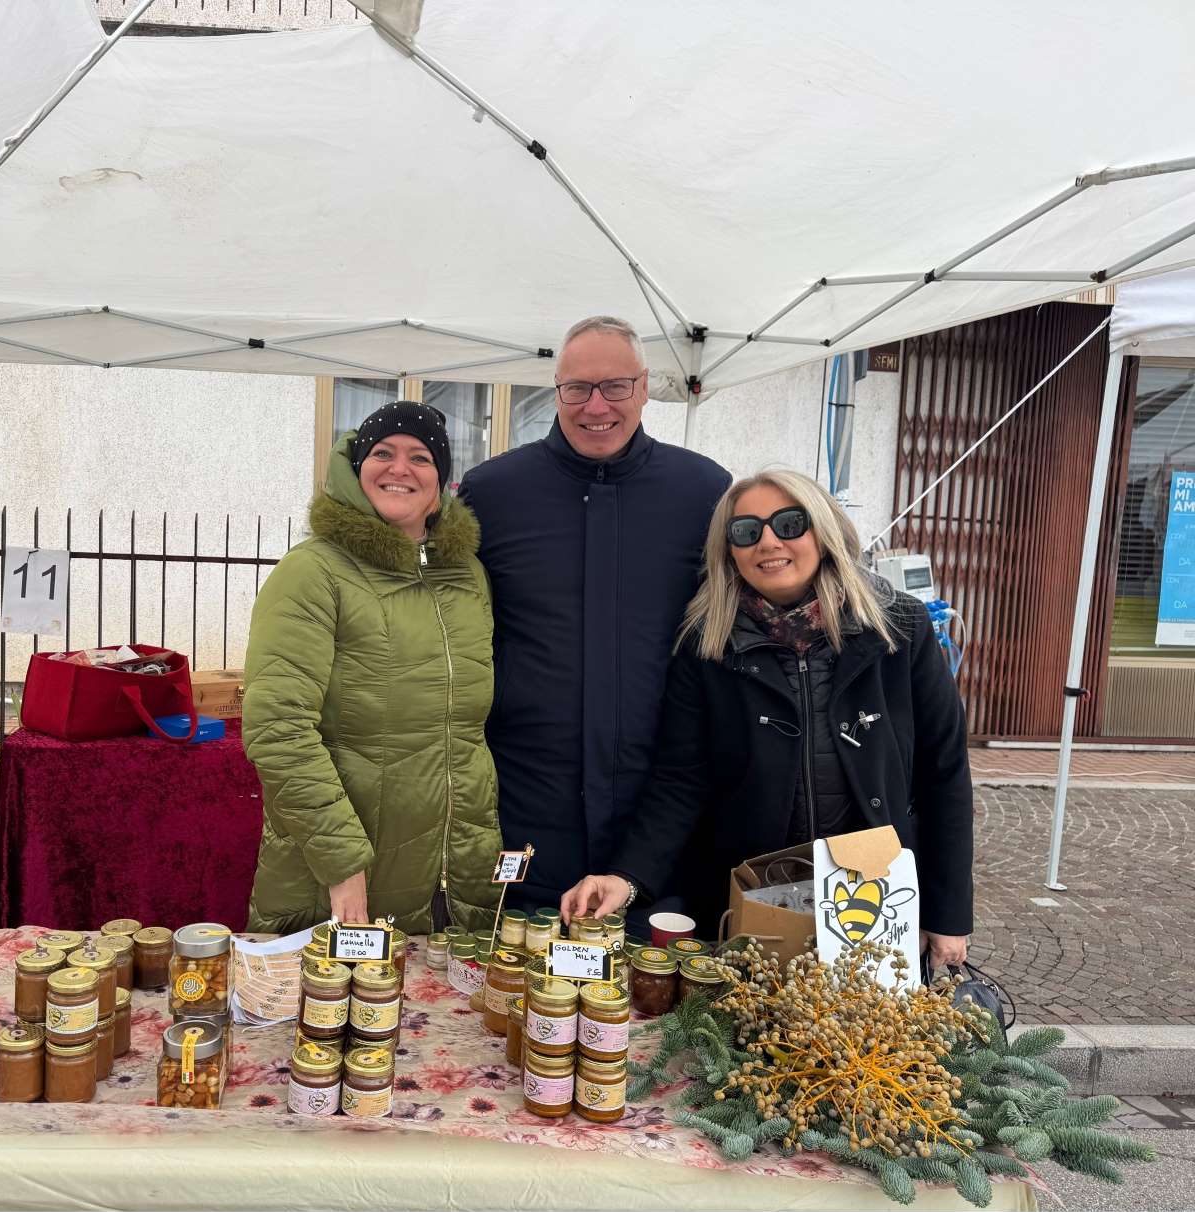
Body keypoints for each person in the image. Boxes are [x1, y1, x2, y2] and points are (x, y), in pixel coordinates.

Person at [562, 469, 974, 968]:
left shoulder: (897, 628)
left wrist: (948, 914)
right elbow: (679, 782)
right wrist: (627, 878)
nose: (769, 542)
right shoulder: (708, 645)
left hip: (877, 898)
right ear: (730, 551)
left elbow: (944, 774)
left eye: (789, 523)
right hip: (754, 906)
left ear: (823, 530)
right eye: (747, 531)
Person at [458, 316, 730, 923]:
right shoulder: (493, 493)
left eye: (615, 386)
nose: (596, 406)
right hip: (524, 803)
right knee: (514, 965)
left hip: (659, 810)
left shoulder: (703, 492)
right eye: (577, 388)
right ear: (556, 390)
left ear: (644, 387)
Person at [243, 401, 500, 935]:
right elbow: (279, 728)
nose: (399, 468)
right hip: (340, 876)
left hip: (454, 874)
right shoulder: (313, 571)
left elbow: (464, 733)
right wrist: (341, 860)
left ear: (440, 483)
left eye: (420, 457)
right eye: (383, 453)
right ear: (357, 468)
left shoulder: (467, 576)